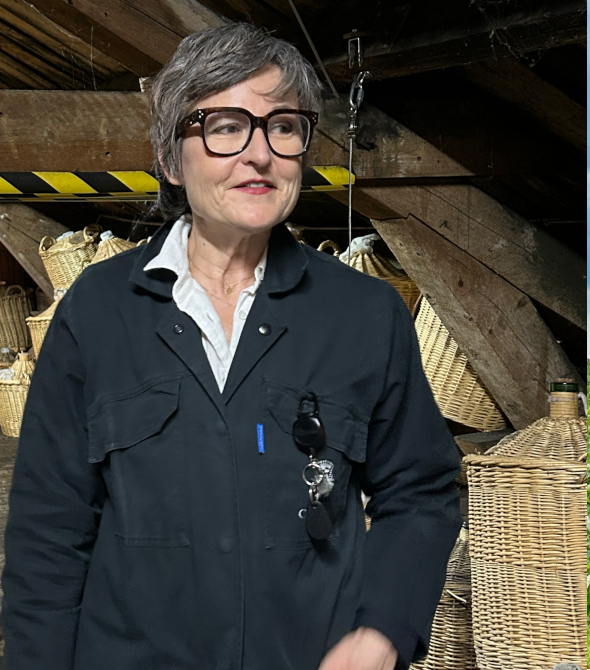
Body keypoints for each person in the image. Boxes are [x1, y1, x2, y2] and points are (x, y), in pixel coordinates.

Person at [1, 23, 461, 670]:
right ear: (168, 157)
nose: (259, 153)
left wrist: (383, 628)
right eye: (223, 126)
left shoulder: (364, 314)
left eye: (283, 126)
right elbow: (47, 539)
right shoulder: (97, 315)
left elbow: (421, 491)